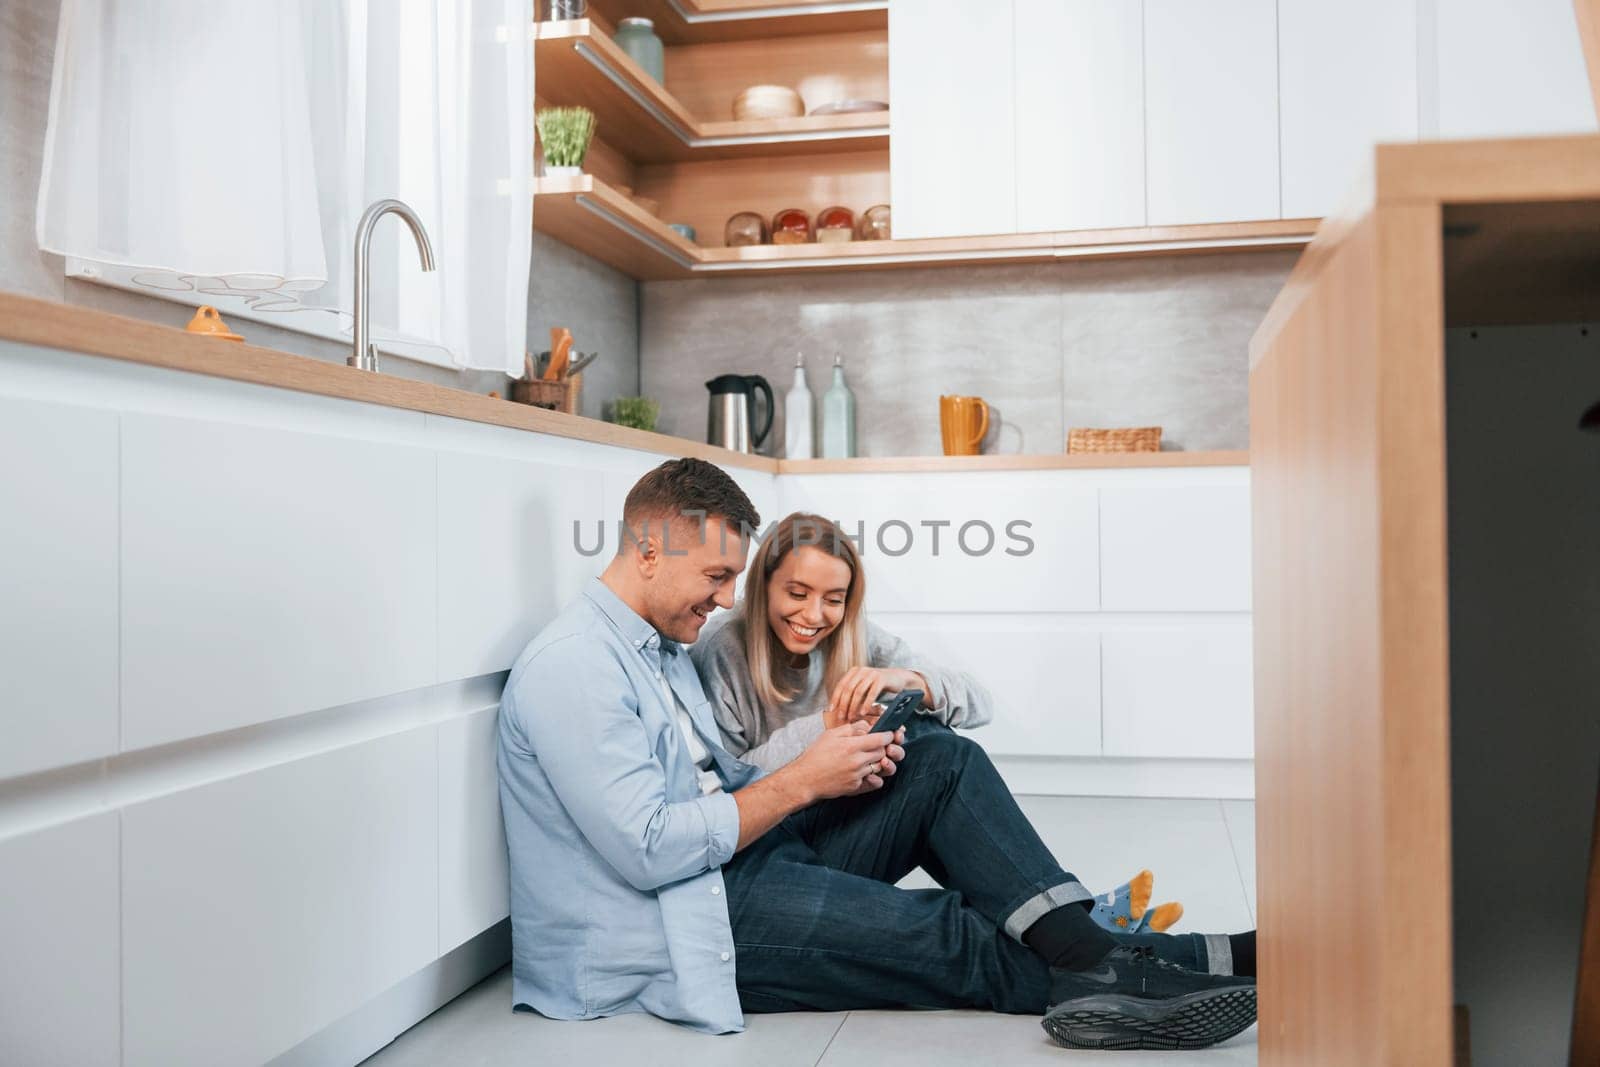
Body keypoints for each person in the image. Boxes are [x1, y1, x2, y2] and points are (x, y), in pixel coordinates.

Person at [497, 458, 1256, 1052]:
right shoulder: (576, 666)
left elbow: (719, 787)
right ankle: (1178, 961)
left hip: (736, 868)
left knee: (939, 758)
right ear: (650, 548)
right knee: (952, 934)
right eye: (718, 576)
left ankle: (1108, 957)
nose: (727, 597)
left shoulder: (659, 649)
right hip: (689, 920)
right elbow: (650, 850)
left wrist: (844, 759)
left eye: (732, 577)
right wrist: (805, 780)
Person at [690, 511, 1189, 938]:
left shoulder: (851, 634)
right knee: (939, 754)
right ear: (762, 587)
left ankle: (1069, 926)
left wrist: (911, 681)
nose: (814, 615)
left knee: (935, 742)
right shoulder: (723, 651)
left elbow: (978, 702)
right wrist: (827, 728)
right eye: (796, 593)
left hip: (842, 824)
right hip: (778, 863)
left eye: (834, 599)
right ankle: (1078, 926)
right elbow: (729, 788)